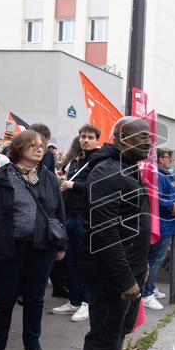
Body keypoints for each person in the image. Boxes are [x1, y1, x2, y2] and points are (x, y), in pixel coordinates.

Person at [74, 117, 152, 350]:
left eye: (150, 137)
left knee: (116, 337)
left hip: (130, 273)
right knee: (100, 343)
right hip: (111, 277)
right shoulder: (106, 173)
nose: (149, 143)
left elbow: (130, 223)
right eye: (142, 137)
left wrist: (142, 267)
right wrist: (125, 278)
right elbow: (105, 233)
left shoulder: (126, 166)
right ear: (120, 138)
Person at [0, 130, 66, 350]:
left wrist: (61, 245)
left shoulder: (49, 177)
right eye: (33, 145)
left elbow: (59, 213)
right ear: (19, 148)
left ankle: (32, 344)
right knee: (2, 302)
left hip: (41, 249)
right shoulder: (0, 177)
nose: (39, 149)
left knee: (35, 300)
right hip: (8, 249)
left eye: (42, 145)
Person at [55, 125, 102, 322]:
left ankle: (87, 303)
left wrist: (75, 185)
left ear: (96, 139)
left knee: (84, 263)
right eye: (83, 136)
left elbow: (98, 186)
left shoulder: (99, 160)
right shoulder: (76, 159)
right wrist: (63, 180)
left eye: (90, 137)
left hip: (85, 217)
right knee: (70, 261)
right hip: (69, 215)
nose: (86, 140)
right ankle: (74, 300)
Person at [141, 149, 175, 308]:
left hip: (166, 223)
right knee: (155, 259)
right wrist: (170, 204)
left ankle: (149, 287)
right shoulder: (156, 174)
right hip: (161, 224)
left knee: (155, 259)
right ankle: (147, 293)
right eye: (166, 158)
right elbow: (153, 197)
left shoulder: (162, 173)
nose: (169, 160)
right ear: (158, 159)